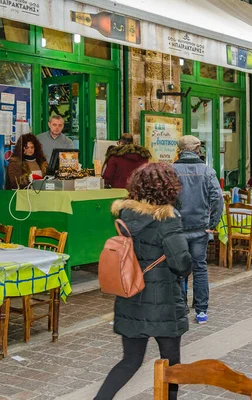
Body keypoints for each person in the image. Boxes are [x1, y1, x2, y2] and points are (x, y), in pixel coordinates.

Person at [95, 163, 192, 400]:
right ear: (168, 188)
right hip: (164, 302)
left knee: (130, 361)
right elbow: (181, 264)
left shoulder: (126, 216)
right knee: (171, 367)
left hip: (131, 295)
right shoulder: (167, 220)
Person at [172, 135, 223, 324]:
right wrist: (212, 223)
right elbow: (217, 199)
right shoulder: (207, 171)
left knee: (178, 270)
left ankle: (181, 308)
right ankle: (201, 311)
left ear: (180, 150)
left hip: (178, 228)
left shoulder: (171, 170)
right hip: (201, 228)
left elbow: (165, 199)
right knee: (200, 268)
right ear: (197, 150)